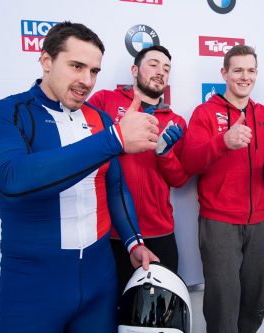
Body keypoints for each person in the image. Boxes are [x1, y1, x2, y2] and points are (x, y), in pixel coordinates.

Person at [0, 21, 160, 333]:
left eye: (94, 71)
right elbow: (13, 180)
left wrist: (133, 241)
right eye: (76, 66)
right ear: (46, 60)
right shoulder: (1, 114)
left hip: (100, 282)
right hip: (32, 288)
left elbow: (114, 187)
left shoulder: (99, 119)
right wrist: (113, 140)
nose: (86, 81)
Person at [181, 45, 264, 333]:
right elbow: (189, 162)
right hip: (219, 224)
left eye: (250, 70)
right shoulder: (204, 113)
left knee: (254, 302)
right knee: (223, 306)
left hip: (258, 223)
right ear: (224, 73)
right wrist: (223, 142)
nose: (245, 76)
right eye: (238, 70)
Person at [87, 45, 189, 293]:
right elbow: (85, 153)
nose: (160, 72)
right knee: (109, 312)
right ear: (134, 70)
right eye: (153, 64)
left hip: (159, 231)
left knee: (159, 314)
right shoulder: (104, 101)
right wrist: (120, 133)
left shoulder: (176, 121)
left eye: (166, 68)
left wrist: (164, 154)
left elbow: (179, 180)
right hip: (111, 233)